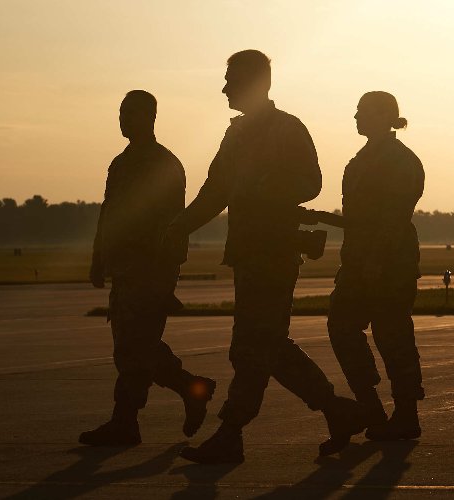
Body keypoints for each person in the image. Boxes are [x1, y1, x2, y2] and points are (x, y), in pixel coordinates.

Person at [164, 50, 366, 464]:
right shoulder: (236, 135)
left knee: (252, 347)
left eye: (232, 80)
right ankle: (337, 411)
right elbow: (215, 190)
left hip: (273, 254)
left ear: (257, 84)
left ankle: (231, 432)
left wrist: (266, 187)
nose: (224, 88)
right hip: (248, 254)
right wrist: (179, 226)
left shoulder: (287, 129)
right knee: (267, 345)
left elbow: (311, 182)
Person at [79, 90, 216, 446]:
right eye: (121, 113)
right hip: (125, 269)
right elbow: (109, 212)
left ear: (150, 117)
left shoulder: (164, 164)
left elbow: (172, 223)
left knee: (134, 347)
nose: (123, 120)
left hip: (150, 269)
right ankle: (185, 391)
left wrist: (163, 276)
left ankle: (130, 419)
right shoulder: (120, 163)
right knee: (134, 346)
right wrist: (98, 257)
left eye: (130, 113)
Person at [303, 91, 426, 441]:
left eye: (362, 112)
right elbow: (360, 220)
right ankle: (371, 408)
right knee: (341, 327)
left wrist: (376, 259)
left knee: (393, 336)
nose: (356, 117)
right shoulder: (359, 161)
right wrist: (320, 217)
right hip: (357, 260)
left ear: (384, 116)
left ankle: (406, 414)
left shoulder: (401, 161)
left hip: (391, 262)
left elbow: (394, 218)